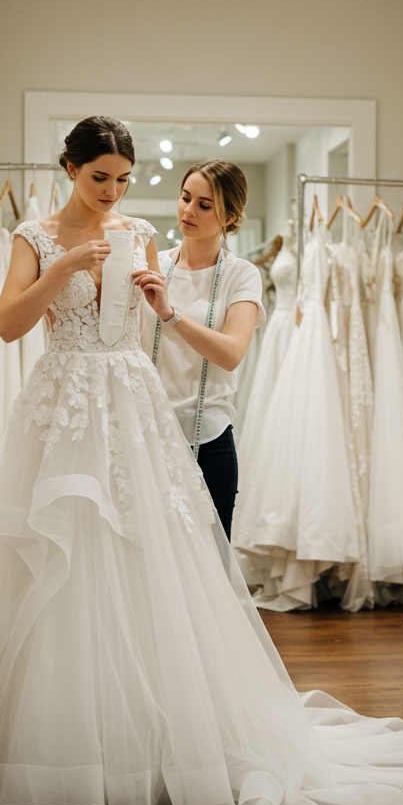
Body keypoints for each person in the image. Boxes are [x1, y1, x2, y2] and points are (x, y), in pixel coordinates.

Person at [0, 115, 403, 805]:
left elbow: (158, 332)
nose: (112, 193)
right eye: (100, 179)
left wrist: (161, 305)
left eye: (123, 181)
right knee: (58, 558)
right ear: (69, 169)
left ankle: (152, 738)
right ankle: (56, 744)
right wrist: (62, 267)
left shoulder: (141, 236)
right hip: (62, 411)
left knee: (145, 564)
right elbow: (6, 326)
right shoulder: (34, 237)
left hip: (131, 410)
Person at [134, 160, 263, 537]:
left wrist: (170, 314)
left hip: (208, 441)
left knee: (210, 565)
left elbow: (231, 352)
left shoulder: (242, 274)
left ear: (230, 216)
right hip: (146, 432)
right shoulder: (154, 264)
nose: (188, 211)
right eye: (185, 197)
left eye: (204, 205)